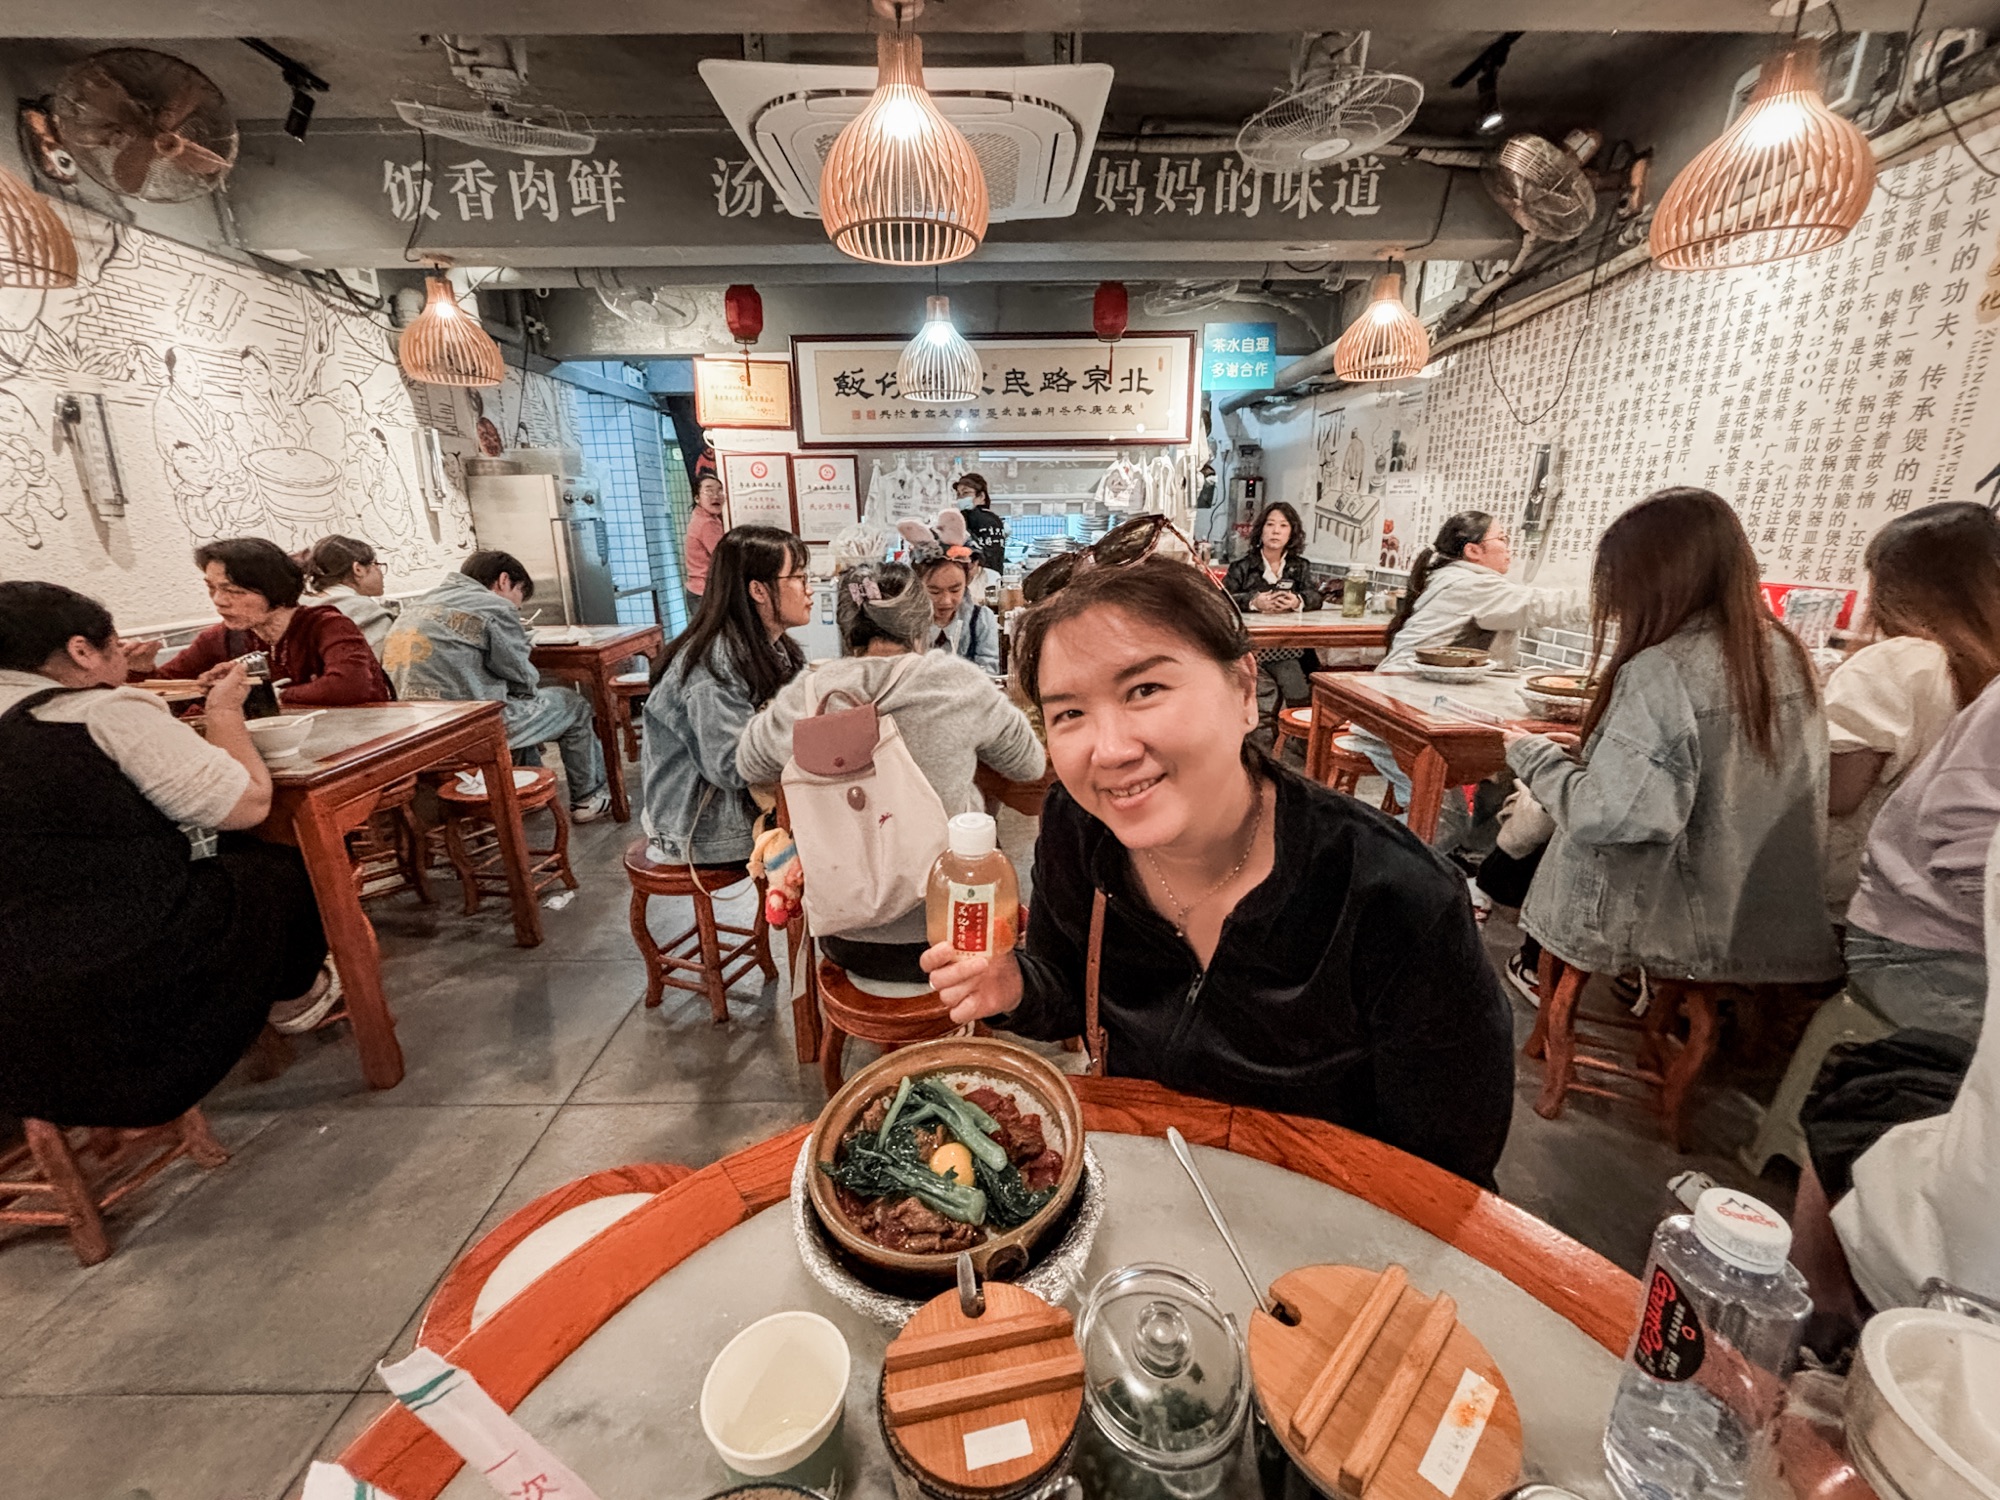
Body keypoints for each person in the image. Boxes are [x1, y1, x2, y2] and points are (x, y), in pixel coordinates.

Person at [920, 555, 1514, 1188]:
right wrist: (1015, 986)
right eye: (1069, 714)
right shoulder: (1078, 827)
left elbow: (1447, 1174)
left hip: (1329, 1214)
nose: (1110, 750)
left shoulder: (1395, 896)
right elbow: (1071, 996)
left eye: (1145, 690)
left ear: (1243, 691)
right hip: (1151, 1181)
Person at [0, 583, 336, 1128]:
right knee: (273, 869)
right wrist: (224, 711)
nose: (221, 598)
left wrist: (128, 674)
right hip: (123, 987)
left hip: (16, 1009)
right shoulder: (101, 714)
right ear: (82, 650)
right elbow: (247, 805)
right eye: (114, 645)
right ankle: (298, 1000)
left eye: (229, 588)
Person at [1502, 489, 1840, 990]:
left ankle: (1527, 956)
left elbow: (1608, 816)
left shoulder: (1663, 668)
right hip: (1763, 916)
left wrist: (1531, 756)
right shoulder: (1786, 651)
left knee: (1539, 817)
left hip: (1669, 922)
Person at [738, 561, 1044, 984]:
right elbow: (1028, 764)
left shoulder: (810, 693)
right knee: (981, 833)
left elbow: (749, 762)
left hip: (845, 934)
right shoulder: (959, 683)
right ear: (921, 623)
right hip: (956, 932)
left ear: (847, 629)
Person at [1835, 507, 2000, 1041]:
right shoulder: (1961, 668)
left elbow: (1836, 794)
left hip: (1883, 906)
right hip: (1916, 930)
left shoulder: (1896, 661)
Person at [1352, 510, 1585, 823]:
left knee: (1501, 768)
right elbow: (1542, 605)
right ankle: (1361, 851)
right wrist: (1619, 598)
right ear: (1473, 551)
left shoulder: (1455, 578)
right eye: (1502, 539)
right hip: (1405, 715)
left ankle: (1473, 848)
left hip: (1402, 703)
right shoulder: (1471, 585)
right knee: (1442, 822)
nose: (1509, 548)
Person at [383, 550, 611, 822]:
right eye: (519, 595)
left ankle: (526, 794)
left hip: (415, 730)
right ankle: (588, 798)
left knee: (511, 702)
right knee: (573, 705)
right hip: (468, 729)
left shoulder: (417, 605)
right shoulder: (493, 606)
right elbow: (522, 677)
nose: (517, 608)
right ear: (504, 581)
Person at [640, 526, 810, 865]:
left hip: (738, 809)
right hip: (703, 829)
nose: (810, 588)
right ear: (759, 590)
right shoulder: (715, 663)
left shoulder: (772, 648)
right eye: (799, 577)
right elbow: (733, 765)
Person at [125, 538, 391, 707]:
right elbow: (160, 693)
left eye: (233, 591)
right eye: (211, 588)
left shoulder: (327, 625)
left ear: (273, 590)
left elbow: (349, 686)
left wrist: (265, 695)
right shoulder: (220, 637)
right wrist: (141, 669)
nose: (219, 601)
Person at [1224, 500, 1321, 740]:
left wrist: (1296, 601)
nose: (1276, 531)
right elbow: (1223, 598)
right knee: (1259, 694)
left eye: (1283, 525)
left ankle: (1300, 742)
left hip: (1287, 647)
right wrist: (1255, 602)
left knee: (1297, 689)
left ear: (1292, 532)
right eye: (1270, 524)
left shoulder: (1300, 567)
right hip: (1251, 647)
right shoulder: (1242, 567)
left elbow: (1315, 596)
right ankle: (1255, 739)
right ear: (1261, 530)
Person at [300, 534, 396, 657]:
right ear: (358, 569)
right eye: (375, 564)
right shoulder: (368, 613)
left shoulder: (302, 609)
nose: (380, 571)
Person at [918, 553, 1001, 675]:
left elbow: (988, 671)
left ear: (966, 584)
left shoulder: (980, 619)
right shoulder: (907, 623)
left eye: (955, 590)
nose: (946, 601)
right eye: (934, 592)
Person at [683, 473, 728, 625]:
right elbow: (724, 557)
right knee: (715, 637)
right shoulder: (707, 523)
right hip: (706, 593)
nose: (716, 495)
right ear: (697, 498)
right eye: (709, 491)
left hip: (699, 591)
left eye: (719, 490)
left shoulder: (701, 518)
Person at [954, 471, 1007, 574]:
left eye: (966, 493)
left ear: (981, 496)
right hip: (995, 574)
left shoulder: (970, 516)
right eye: (958, 494)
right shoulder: (995, 519)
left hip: (976, 575)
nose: (961, 498)